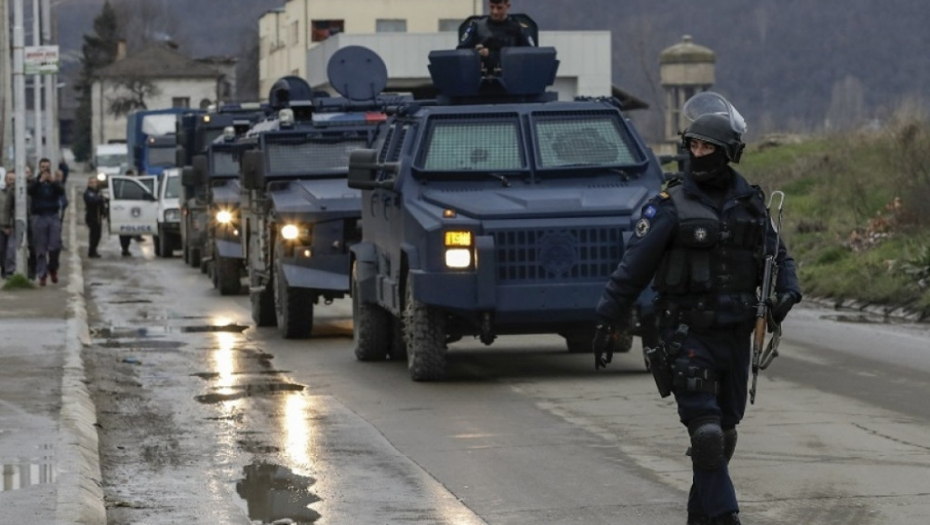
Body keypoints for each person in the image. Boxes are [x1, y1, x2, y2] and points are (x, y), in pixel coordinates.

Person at [592, 93, 802, 525]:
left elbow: (778, 257)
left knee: (723, 435)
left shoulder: (751, 204)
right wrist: (606, 319)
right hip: (686, 337)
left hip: (735, 339)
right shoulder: (670, 206)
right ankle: (726, 517)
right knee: (705, 435)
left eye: (708, 147)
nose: (698, 153)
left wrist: (787, 292)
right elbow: (633, 267)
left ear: (728, 153)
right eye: (694, 145)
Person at [457, 0, 535, 73]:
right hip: (482, 76)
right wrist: (474, 53)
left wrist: (491, 55)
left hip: (511, 74)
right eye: (492, 7)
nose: (495, 12)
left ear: (508, 6)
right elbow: (461, 53)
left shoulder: (518, 28)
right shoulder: (477, 26)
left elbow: (531, 55)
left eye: (499, 8)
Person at [27, 162, 65, 285]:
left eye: (47, 167)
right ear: (39, 168)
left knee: (55, 245)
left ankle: (53, 267)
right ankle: (42, 274)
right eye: (43, 167)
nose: (45, 169)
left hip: (53, 215)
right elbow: (30, 191)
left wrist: (53, 182)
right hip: (39, 216)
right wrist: (40, 181)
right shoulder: (35, 182)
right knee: (40, 248)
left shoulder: (54, 182)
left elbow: (61, 191)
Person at [84, 175, 108, 258]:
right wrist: (101, 199)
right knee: (94, 235)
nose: (94, 184)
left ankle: (94, 250)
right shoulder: (88, 193)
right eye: (92, 182)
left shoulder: (96, 192)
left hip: (97, 216)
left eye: (95, 182)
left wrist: (104, 211)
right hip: (92, 216)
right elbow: (94, 200)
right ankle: (92, 251)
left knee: (97, 235)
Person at [0, 171, 15, 277]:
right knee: (1, 249)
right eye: (10, 179)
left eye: (13, 180)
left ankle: (8, 271)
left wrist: (10, 225)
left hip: (13, 226)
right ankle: (3, 268)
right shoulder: (1, 193)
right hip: (1, 225)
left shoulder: (18, 194)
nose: (11, 182)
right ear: (5, 180)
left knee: (10, 250)